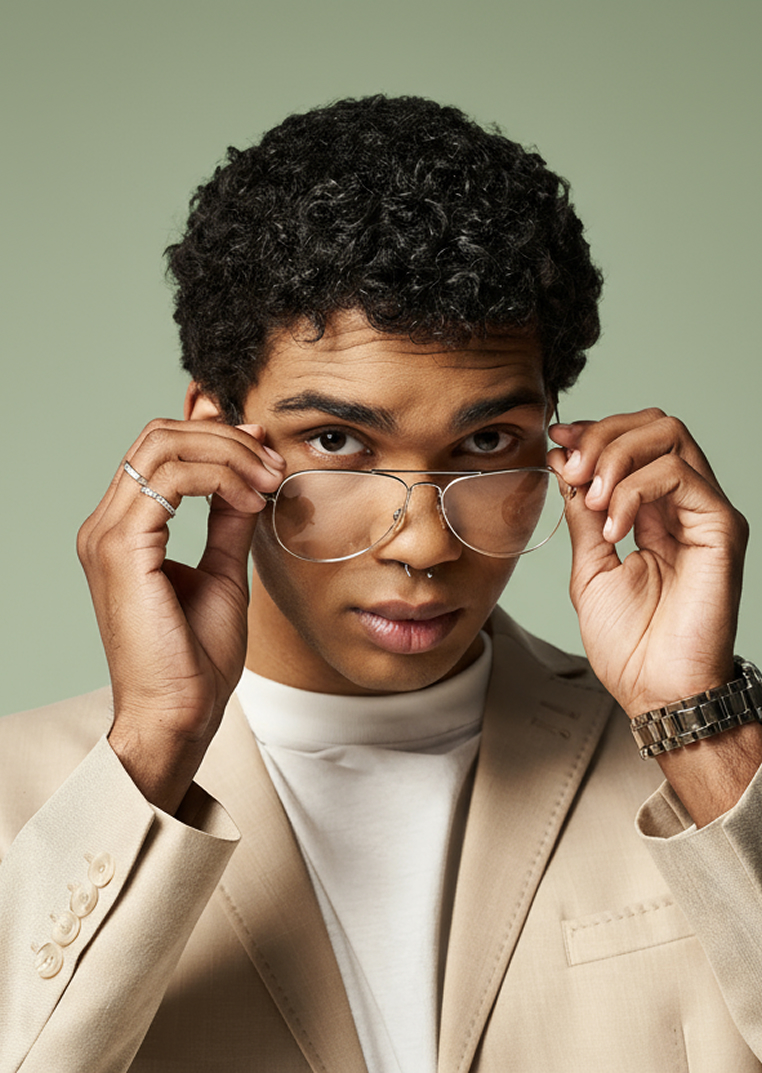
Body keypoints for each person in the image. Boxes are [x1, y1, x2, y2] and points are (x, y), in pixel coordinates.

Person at [1, 94, 760, 1073]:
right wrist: (156, 735)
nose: (422, 544)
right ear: (212, 437)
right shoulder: (24, 789)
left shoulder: (712, 763)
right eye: (338, 442)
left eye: (485, 444)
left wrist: (694, 721)